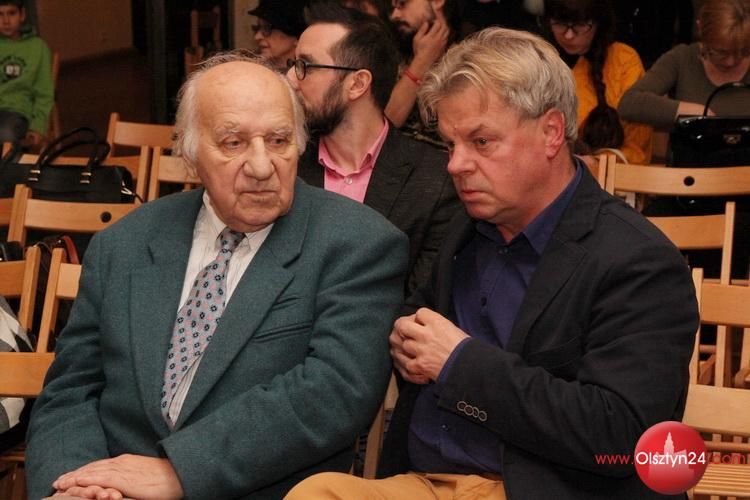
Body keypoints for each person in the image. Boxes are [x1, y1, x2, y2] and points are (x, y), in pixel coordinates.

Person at [286, 27, 698, 499]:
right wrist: (405, 336)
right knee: (316, 493)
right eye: (451, 144)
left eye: (481, 142)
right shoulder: (471, 227)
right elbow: (420, 320)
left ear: (551, 132)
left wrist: (459, 364)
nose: (455, 164)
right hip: (427, 481)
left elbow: (621, 437)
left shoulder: (639, 261)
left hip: (542, 487)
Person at [25, 50, 409, 500]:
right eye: (233, 143)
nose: (262, 166)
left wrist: (180, 472)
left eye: (279, 140)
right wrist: (75, 484)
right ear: (190, 156)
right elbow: (72, 390)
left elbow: (334, 393)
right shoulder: (124, 244)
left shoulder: (358, 244)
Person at [288, 2, 460, 297]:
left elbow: (422, 301)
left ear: (357, 84)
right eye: (292, 65)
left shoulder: (436, 181)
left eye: (306, 66)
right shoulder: (285, 167)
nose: (291, 79)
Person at [540, 0, 652, 165]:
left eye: (580, 25)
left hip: (612, 173)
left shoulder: (624, 61)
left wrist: (595, 162)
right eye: (560, 24)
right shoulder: (539, 61)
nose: (569, 35)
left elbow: (637, 149)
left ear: (599, 22)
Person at [618, 0, 750, 130]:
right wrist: (692, 111)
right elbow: (629, 103)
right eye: (722, 52)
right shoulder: (683, 58)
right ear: (701, 30)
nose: (730, 62)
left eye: (743, 52)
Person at [385, 0, 460, 146]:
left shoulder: (471, 57)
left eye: (402, 4)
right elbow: (384, 125)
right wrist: (422, 61)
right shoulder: (391, 54)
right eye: (393, 8)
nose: (394, 15)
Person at [0, 0, 53, 147]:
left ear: (22, 14)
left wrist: (38, 126)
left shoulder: (37, 47)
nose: (6, 21)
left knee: (5, 132)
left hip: (19, 112)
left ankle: (12, 162)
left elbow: (45, 93)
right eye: (0, 14)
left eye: (11, 13)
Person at [248, 0, 308, 71]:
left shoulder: (308, 74)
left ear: (297, 37)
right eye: (257, 27)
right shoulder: (252, 70)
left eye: (267, 28)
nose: (257, 37)